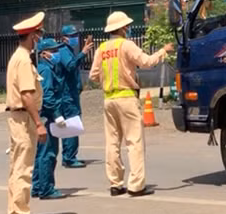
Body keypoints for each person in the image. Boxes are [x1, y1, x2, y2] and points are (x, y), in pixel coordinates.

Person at [88, 11, 173, 197]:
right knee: (134, 142)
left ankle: (115, 183)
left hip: (108, 99)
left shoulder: (101, 49)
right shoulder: (126, 45)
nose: (128, 28)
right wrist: (163, 51)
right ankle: (136, 185)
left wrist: (107, 80)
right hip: (126, 98)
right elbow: (146, 62)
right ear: (122, 28)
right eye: (126, 26)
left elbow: (93, 75)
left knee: (112, 143)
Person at [5, 11, 49, 214]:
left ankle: (15, 212)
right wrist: (39, 123)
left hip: (18, 116)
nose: (39, 39)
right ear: (32, 36)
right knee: (23, 167)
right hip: (23, 118)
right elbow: (27, 94)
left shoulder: (18, 57)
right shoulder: (23, 60)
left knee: (17, 166)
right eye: (38, 34)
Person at [31, 38, 68, 200]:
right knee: (49, 153)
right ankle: (46, 188)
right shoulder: (45, 70)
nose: (57, 54)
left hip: (45, 115)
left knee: (41, 153)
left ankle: (38, 186)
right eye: (53, 51)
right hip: (48, 115)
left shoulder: (47, 68)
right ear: (44, 54)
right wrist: (56, 114)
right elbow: (47, 95)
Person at [58, 25, 93, 168]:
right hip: (67, 96)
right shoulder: (63, 50)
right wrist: (83, 53)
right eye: (72, 36)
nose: (75, 38)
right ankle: (69, 157)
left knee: (72, 125)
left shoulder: (70, 50)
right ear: (64, 38)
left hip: (72, 93)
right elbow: (70, 66)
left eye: (75, 35)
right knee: (72, 124)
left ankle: (70, 156)